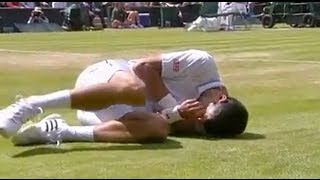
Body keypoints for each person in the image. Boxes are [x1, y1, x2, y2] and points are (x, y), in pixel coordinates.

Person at [0, 49, 249, 145]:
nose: (196, 122)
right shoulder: (202, 64)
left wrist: (174, 116)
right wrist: (173, 107)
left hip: (105, 117)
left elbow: (161, 121)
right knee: (136, 89)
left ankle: (59, 131)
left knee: (160, 129)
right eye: (202, 115)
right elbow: (142, 67)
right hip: (107, 77)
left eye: (199, 127)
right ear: (222, 98)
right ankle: (29, 105)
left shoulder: (200, 122)